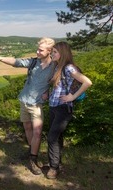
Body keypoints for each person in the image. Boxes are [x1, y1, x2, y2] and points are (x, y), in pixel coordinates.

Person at [0, 37, 55, 175]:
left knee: (37, 132)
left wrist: (49, 91)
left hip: (36, 104)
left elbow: (58, 81)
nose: (37, 51)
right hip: (24, 100)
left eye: (41, 50)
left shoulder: (55, 66)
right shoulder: (33, 62)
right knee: (28, 128)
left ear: (49, 51)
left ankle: (33, 160)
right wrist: (0, 58)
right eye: (38, 48)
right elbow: (16, 62)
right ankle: (31, 150)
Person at [47, 41, 92, 179]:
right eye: (52, 51)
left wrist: (72, 96)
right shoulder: (57, 67)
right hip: (53, 107)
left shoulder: (68, 68)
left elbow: (87, 82)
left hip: (63, 109)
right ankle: (57, 163)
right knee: (58, 137)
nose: (52, 54)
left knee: (51, 137)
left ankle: (53, 168)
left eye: (55, 52)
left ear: (63, 53)